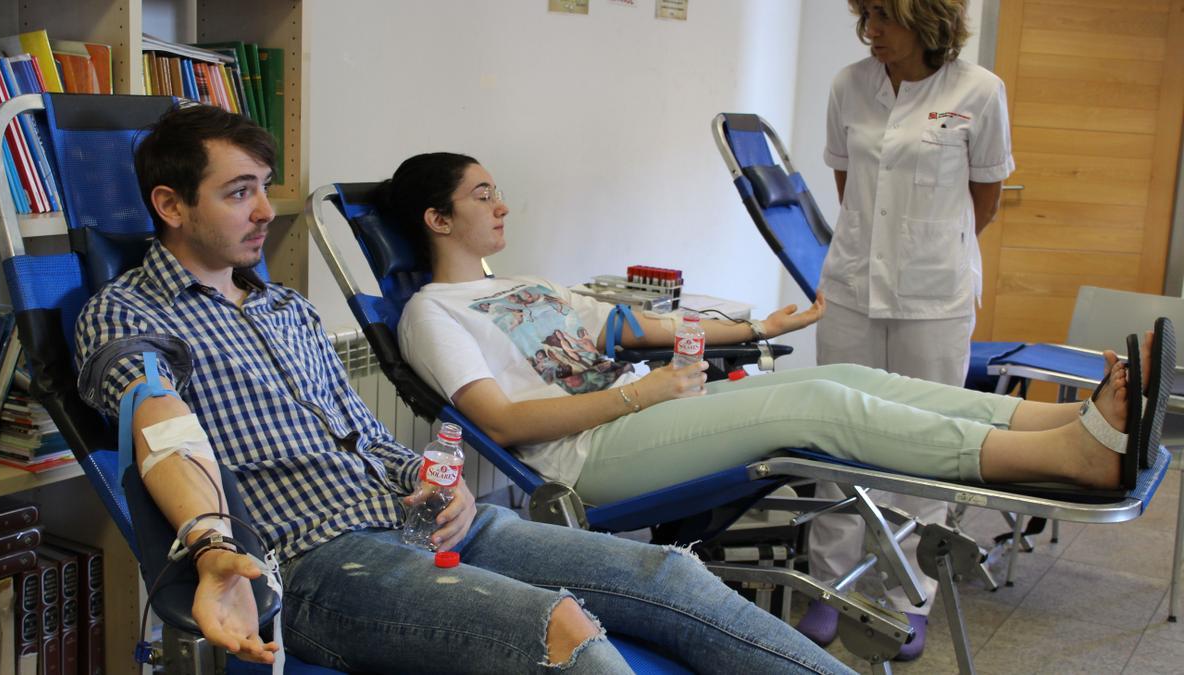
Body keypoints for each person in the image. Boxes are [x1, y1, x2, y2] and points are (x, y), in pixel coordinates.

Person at [72, 105, 857, 674]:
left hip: (427, 522)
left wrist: (426, 477)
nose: (264, 210)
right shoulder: (127, 313)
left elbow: (364, 433)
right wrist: (211, 542)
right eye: (238, 191)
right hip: (318, 563)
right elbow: (158, 422)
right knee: (560, 628)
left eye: (265, 187)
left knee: (674, 576)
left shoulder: (286, 306)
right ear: (170, 206)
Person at [392, 150, 1151, 527]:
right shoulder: (432, 312)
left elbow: (639, 326)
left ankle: (1067, 421)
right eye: (482, 195)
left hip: (636, 416)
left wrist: (757, 326)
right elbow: (500, 421)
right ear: (436, 218)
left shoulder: (526, 286)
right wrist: (642, 390)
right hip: (584, 461)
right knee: (819, 404)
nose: (503, 205)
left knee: (858, 379)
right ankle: (1064, 457)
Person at [802, 0, 1015, 657]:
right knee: (834, 436)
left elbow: (986, 195)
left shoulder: (980, 91)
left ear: (926, 21)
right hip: (851, 289)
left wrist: (932, 249)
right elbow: (847, 182)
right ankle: (827, 585)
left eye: (884, 19)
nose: (872, 33)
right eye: (865, 17)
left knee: (921, 444)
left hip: (935, 296)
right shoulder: (848, 84)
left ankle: (906, 594)